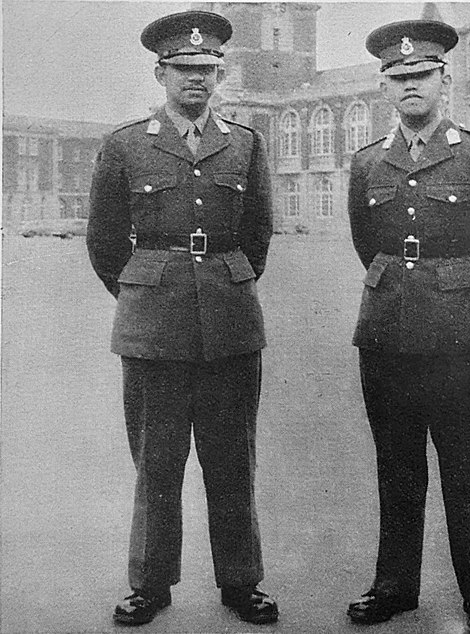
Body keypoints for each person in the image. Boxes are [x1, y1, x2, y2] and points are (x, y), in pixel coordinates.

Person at [87, 10, 278, 627]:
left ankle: (243, 582)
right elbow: (105, 242)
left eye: (208, 69)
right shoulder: (124, 145)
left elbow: (257, 235)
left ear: (220, 73)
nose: (197, 79)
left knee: (232, 460)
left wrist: (221, 282)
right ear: (160, 72)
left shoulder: (246, 143)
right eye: (185, 68)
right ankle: (148, 583)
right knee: (157, 462)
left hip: (230, 324)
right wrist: (147, 291)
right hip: (153, 326)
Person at [346, 20, 470, 632]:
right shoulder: (368, 161)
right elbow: (367, 243)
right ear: (385, 88)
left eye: (421, 75)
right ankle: (395, 586)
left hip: (463, 341)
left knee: (468, 466)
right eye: (398, 79)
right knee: (396, 467)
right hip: (389, 337)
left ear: (444, 80)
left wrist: (462, 292)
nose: (410, 88)